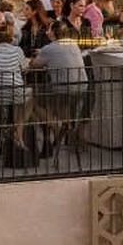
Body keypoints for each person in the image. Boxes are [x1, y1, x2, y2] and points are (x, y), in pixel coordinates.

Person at [30, 21, 90, 156]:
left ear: (54, 33)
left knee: (33, 103)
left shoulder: (48, 49)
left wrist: (37, 55)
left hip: (63, 87)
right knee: (62, 104)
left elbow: (34, 65)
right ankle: (65, 126)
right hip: (82, 86)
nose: (47, 32)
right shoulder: (73, 44)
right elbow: (60, 53)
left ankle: (54, 126)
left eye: (49, 30)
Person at [0, 22, 29, 144]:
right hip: (16, 89)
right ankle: (17, 130)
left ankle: (8, 132)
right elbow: (25, 68)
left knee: (11, 104)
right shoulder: (17, 50)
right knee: (30, 98)